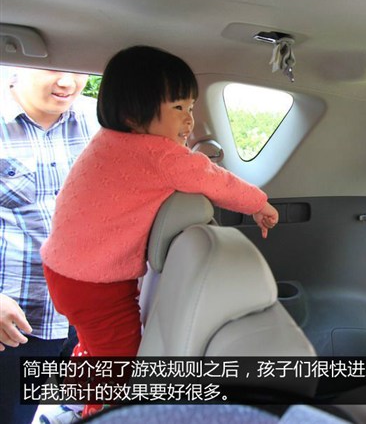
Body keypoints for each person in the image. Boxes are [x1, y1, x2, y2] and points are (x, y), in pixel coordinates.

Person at [39, 45, 279, 417]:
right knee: (122, 372)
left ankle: (74, 394)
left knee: (96, 344)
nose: (189, 120)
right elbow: (213, 179)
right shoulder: (159, 155)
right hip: (96, 285)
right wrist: (259, 204)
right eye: (178, 108)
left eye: (191, 107)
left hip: (64, 272)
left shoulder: (108, 140)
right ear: (133, 114)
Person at [1, 67, 98, 424]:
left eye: (78, 68)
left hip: (85, 315)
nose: (67, 82)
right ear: (19, 64)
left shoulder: (99, 120)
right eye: (53, 68)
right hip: (15, 321)